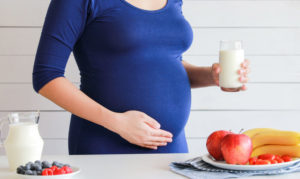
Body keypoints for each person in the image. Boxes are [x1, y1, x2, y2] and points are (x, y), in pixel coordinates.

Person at [32, 0, 250, 154]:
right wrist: (117, 123)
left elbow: (165, 63)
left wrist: (211, 77)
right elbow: (46, 77)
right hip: (104, 146)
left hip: (172, 149)